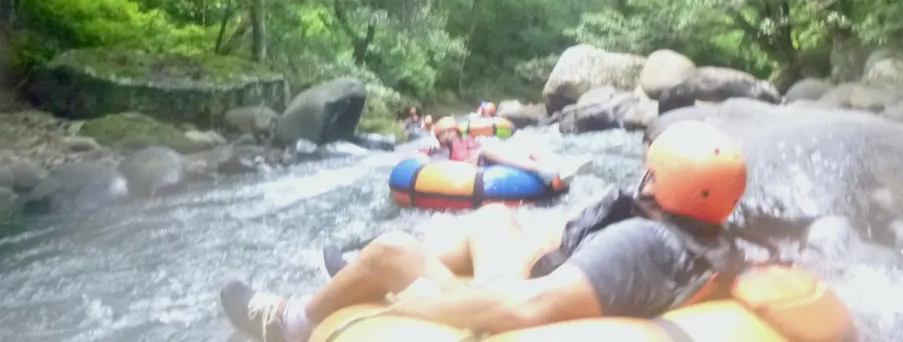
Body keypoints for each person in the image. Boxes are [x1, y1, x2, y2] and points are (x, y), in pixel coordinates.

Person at [220, 120, 753, 342]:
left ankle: (293, 320)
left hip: (522, 319)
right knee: (498, 218)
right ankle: (358, 274)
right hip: (569, 291)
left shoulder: (637, 245)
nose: (644, 174)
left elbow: (523, 312)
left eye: (652, 171)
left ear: (665, 184)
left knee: (391, 249)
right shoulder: (699, 235)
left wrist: (418, 308)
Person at [427, 116, 586, 189]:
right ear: (438, 136)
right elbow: (447, 170)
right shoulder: (440, 152)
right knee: (485, 150)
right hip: (471, 170)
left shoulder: (467, 141)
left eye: (451, 131)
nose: (449, 134)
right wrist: (473, 159)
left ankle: (559, 165)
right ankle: (541, 169)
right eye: (445, 133)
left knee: (527, 145)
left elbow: (478, 146)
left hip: (483, 162)